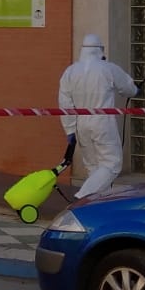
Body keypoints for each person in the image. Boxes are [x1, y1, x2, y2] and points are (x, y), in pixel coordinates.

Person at [58, 33, 138, 199]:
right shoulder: (107, 68)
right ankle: (82, 196)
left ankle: (97, 203)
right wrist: (136, 90)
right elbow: (128, 88)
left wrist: (70, 130)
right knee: (112, 163)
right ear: (100, 50)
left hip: (81, 123)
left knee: (93, 167)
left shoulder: (70, 72)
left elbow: (65, 103)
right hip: (103, 121)